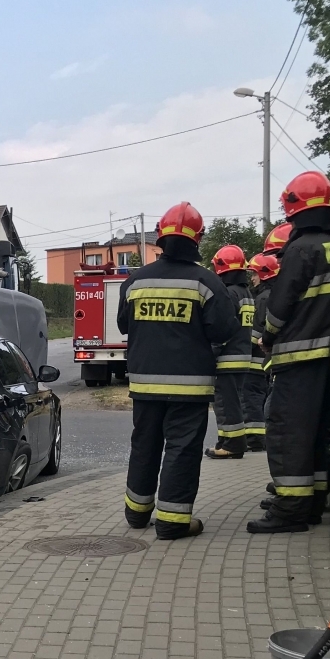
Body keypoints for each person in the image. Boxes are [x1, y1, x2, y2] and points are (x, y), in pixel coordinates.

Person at [118, 202, 238, 540]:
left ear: (160, 236)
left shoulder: (135, 281)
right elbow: (224, 330)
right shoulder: (207, 282)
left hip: (143, 385)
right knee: (181, 449)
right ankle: (172, 521)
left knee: (144, 445)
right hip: (190, 387)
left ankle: (137, 513)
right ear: (197, 239)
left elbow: (123, 325)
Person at [248, 172, 330, 533]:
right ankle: (311, 503)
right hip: (328, 357)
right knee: (315, 433)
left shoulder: (301, 248)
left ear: (295, 207)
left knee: (288, 432)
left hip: (299, 357)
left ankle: (290, 509)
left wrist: (267, 335)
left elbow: (281, 304)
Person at [204, 245, 256, 460]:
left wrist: (211, 353)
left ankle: (233, 445)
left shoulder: (229, 292)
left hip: (227, 358)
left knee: (226, 403)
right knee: (232, 401)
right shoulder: (246, 293)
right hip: (243, 356)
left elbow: (224, 326)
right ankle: (226, 441)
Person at [243, 251, 281, 454]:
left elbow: (257, 331)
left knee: (251, 398)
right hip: (266, 359)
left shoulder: (262, 298)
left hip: (255, 358)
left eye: (255, 273)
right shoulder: (275, 294)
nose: (252, 277)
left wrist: (242, 346)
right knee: (262, 396)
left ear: (265, 274)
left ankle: (255, 440)